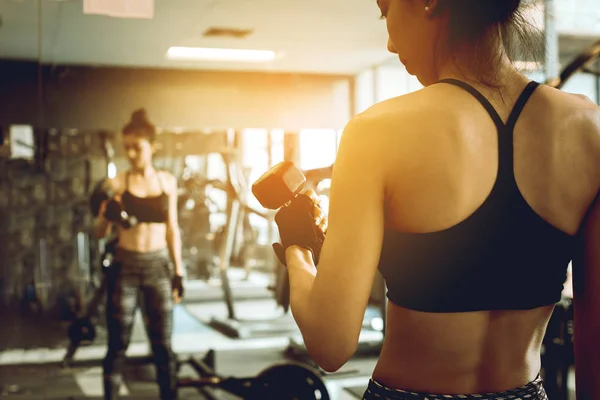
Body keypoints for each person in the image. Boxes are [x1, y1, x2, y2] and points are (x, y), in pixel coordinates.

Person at [273, 1, 600, 399]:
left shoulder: (376, 131)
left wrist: (297, 246)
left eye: (385, 10)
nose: (391, 43)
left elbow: (330, 343)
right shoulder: (589, 130)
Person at [94, 109, 184, 400]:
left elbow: (172, 229)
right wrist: (107, 214)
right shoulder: (118, 183)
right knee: (118, 344)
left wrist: (179, 271)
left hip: (158, 266)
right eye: (127, 148)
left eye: (137, 147)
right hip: (126, 268)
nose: (131, 153)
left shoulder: (166, 182)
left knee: (163, 345)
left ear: (151, 145)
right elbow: (98, 232)